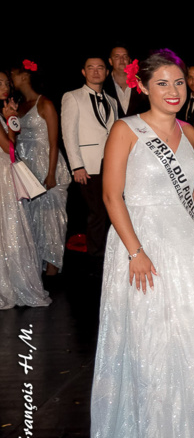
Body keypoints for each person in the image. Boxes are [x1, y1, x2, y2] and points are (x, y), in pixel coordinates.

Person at [61, 49, 194, 438]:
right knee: (149, 342)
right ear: (143, 86)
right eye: (162, 83)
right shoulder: (126, 129)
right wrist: (135, 251)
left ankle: (185, 435)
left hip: (186, 246)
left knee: (187, 339)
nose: (173, 91)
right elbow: (112, 197)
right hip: (139, 244)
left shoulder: (189, 131)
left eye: (180, 83)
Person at [11, 61, 70, 275]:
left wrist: (51, 173)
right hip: (26, 167)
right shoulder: (17, 104)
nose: (11, 79)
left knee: (51, 218)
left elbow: (55, 142)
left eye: (14, 75)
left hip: (46, 165)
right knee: (32, 219)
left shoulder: (44, 103)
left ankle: (52, 271)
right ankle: (36, 269)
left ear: (25, 76)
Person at [0, 70, 51, 310]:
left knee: (11, 226)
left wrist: (10, 118)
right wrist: (10, 121)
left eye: (6, 82)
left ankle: (12, 279)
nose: (5, 86)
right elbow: (10, 149)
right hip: (2, 173)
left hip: (6, 172)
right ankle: (8, 284)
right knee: (7, 225)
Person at [61, 55, 117, 262]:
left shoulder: (111, 100)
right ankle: (96, 258)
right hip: (88, 164)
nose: (95, 71)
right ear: (83, 72)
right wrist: (77, 166)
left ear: (107, 72)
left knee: (110, 210)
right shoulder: (72, 97)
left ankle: (108, 255)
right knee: (97, 213)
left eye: (100, 68)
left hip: (110, 163)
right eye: (90, 68)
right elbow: (68, 133)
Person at [105, 46, 147, 117]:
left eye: (125, 56)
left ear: (130, 60)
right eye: (117, 56)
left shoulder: (142, 83)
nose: (122, 60)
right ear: (110, 61)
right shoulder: (103, 85)